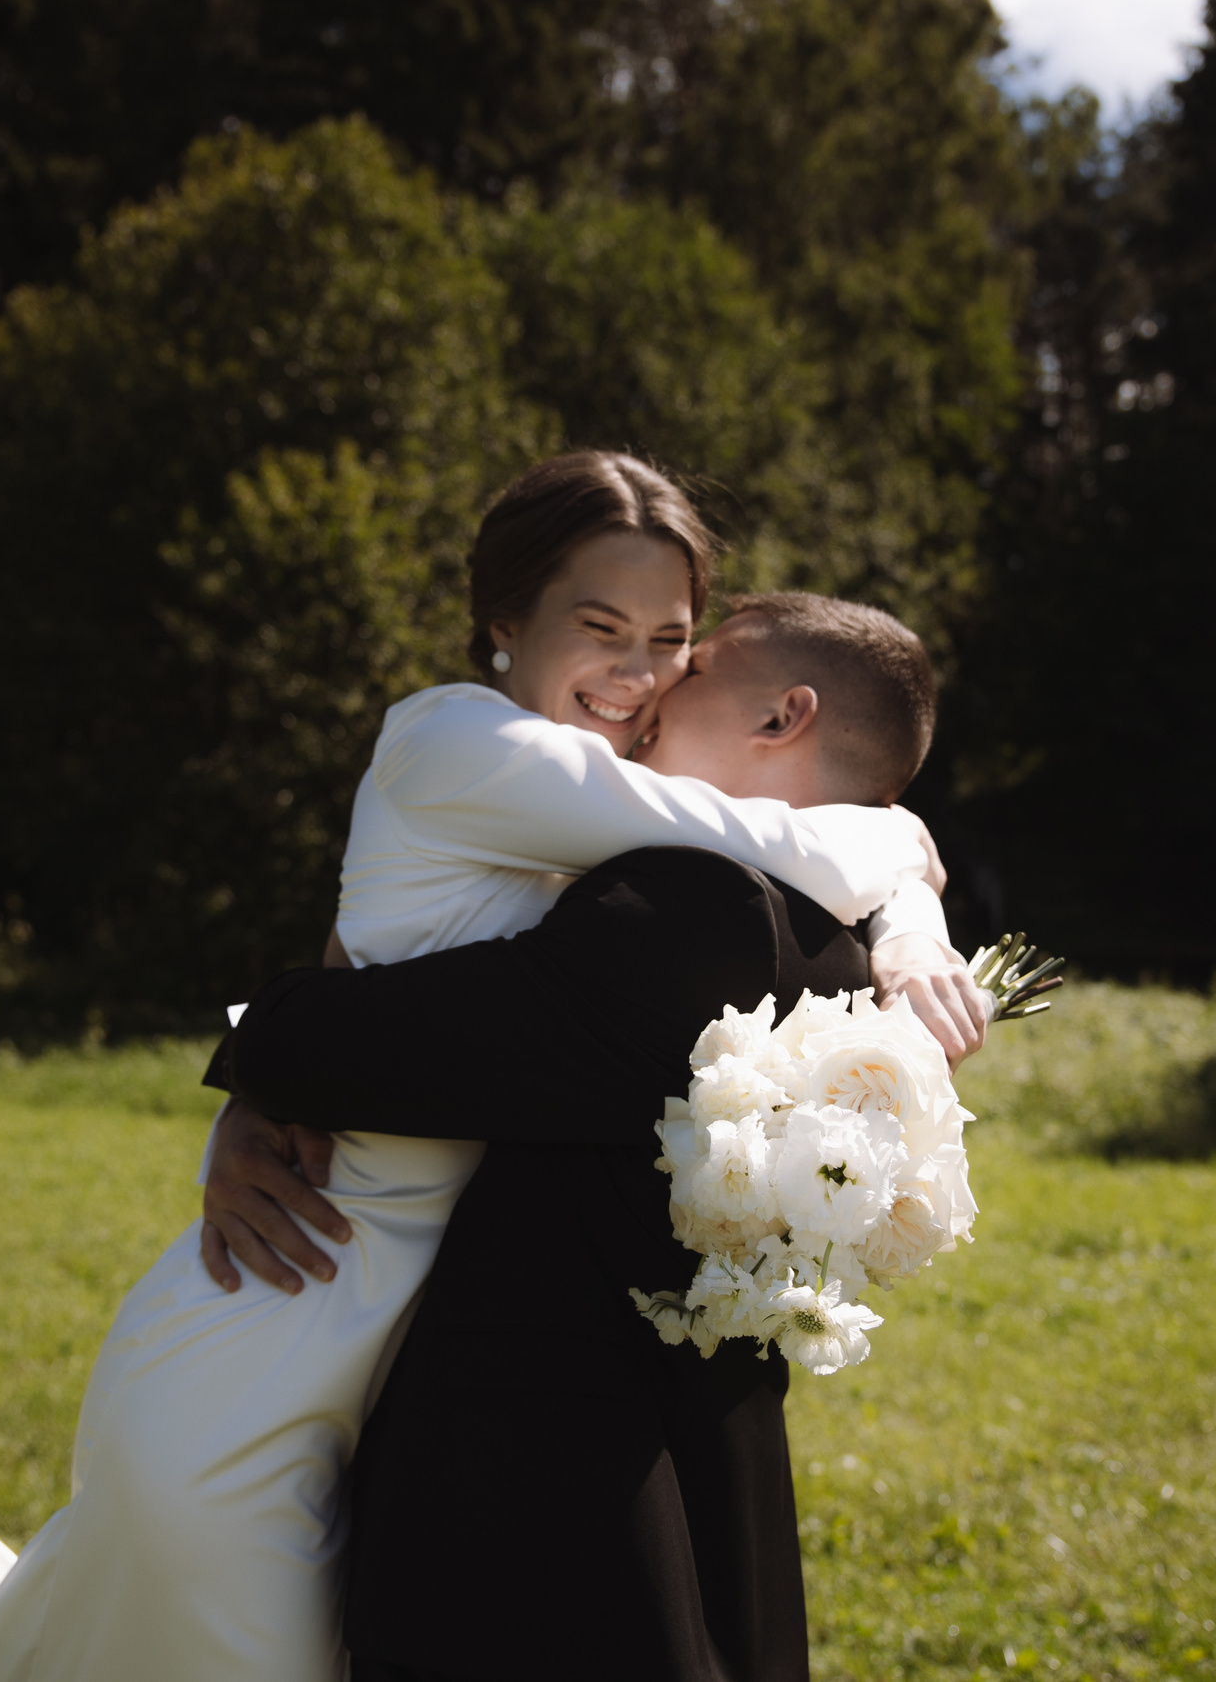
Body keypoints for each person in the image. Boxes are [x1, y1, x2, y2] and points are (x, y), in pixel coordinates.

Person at [0, 453, 981, 1682]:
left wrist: (905, 899)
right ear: (501, 620)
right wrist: (910, 887)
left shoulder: (609, 815)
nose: (642, 674)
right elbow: (788, 834)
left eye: (672, 640)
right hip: (280, 1314)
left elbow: (474, 948)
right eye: (604, 627)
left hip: (388, 1343)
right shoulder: (455, 741)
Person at [207, 589, 955, 1682]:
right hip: (713, 1425)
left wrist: (252, 1070)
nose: (655, 685)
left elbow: (357, 1044)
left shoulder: (685, 910)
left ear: (783, 717)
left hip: (540, 1465)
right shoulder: (842, 941)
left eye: (691, 667)